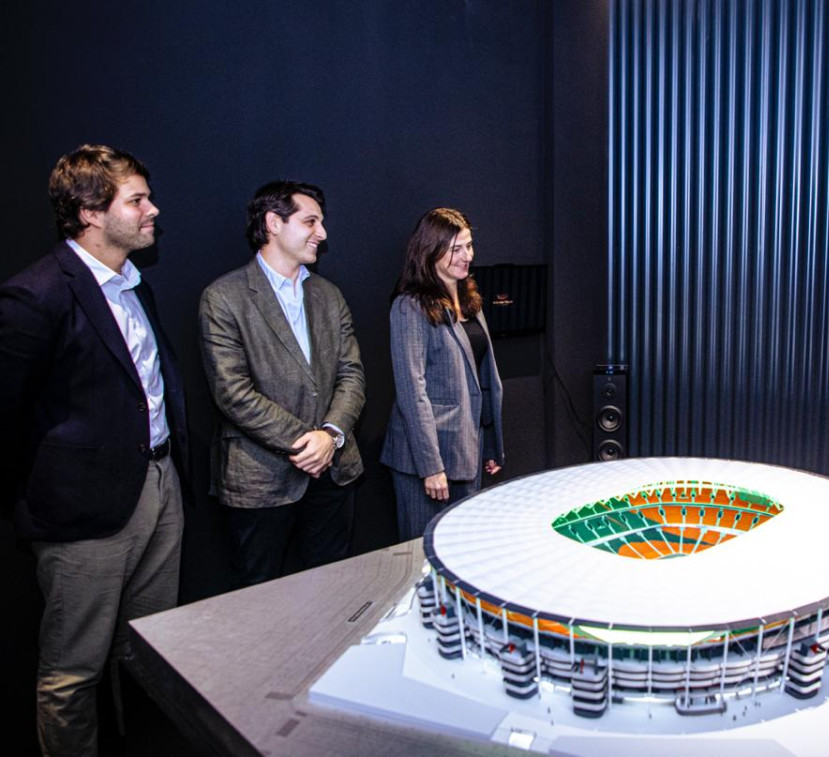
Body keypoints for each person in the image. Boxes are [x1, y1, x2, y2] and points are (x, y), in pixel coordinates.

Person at [0, 144, 188, 755]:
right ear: (88, 212)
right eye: (137, 200)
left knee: (149, 648)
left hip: (159, 487)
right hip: (82, 513)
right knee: (72, 670)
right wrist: (45, 498)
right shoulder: (36, 295)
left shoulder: (135, 286)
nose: (152, 210)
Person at [199, 181, 365, 588]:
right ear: (273, 223)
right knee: (259, 598)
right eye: (310, 222)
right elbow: (232, 393)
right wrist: (308, 443)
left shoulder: (329, 295)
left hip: (333, 473)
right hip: (261, 480)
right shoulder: (224, 297)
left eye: (321, 222)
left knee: (333, 590)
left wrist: (330, 436)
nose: (322, 233)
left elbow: (352, 374)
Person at [382, 208, 504, 541]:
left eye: (469, 246)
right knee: (423, 554)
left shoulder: (470, 300)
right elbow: (412, 392)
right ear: (430, 251)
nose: (468, 256)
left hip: (468, 449)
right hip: (426, 459)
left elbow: (483, 381)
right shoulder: (409, 306)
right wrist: (431, 466)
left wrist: (490, 445)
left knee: (464, 548)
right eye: (456, 249)